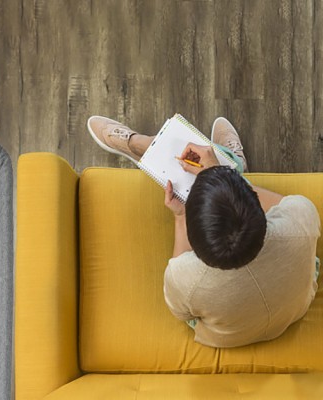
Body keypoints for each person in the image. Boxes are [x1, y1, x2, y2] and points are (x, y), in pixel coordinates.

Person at [87, 116, 321, 348]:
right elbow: (281, 203)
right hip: (293, 308)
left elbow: (180, 311)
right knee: (235, 178)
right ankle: (234, 165)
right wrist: (226, 176)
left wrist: (180, 216)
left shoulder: (185, 278)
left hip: (229, 334)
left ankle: (141, 145)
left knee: (191, 308)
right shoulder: (302, 217)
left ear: (195, 244)